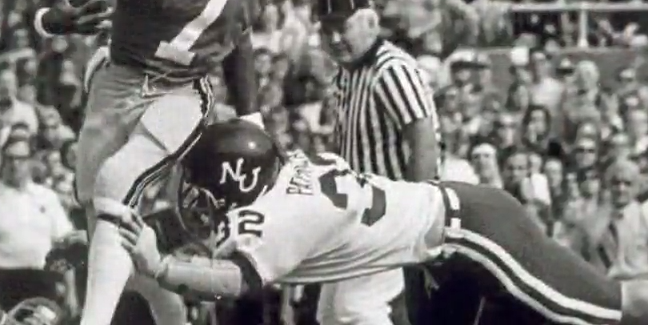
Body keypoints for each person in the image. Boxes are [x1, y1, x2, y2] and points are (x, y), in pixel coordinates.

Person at [32, 0, 290, 323]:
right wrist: (54, 18)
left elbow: (240, 32)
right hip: (118, 77)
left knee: (116, 183)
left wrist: (251, 114)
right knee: (104, 223)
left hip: (185, 88)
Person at [118, 119, 648, 325]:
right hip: (439, 252)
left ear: (236, 180)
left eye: (205, 194)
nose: (197, 207)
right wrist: (112, 242)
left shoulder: (281, 217)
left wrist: (160, 267)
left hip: (475, 234)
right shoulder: (289, 174)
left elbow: (233, 280)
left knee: (609, 308)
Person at [314, 0, 442, 323]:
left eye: (343, 27)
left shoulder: (392, 69)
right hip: (356, 215)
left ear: (370, 22)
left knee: (354, 310)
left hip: (391, 211)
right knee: (329, 315)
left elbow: (424, 140)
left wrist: (416, 211)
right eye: (327, 30)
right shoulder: (344, 75)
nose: (335, 38)